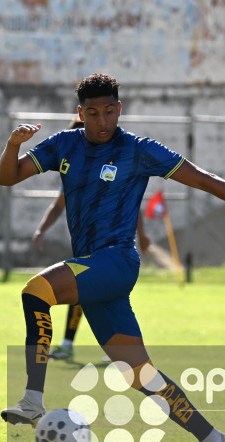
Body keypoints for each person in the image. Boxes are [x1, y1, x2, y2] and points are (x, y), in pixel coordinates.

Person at [0, 73, 225, 442]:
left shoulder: (140, 150)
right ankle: (215, 441)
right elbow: (8, 177)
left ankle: (33, 397)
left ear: (119, 109)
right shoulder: (63, 145)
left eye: (108, 111)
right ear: (79, 113)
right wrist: (14, 144)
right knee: (139, 374)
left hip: (117, 261)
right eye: (92, 113)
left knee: (35, 291)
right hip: (94, 267)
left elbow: (205, 180)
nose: (101, 120)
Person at [32, 118, 151, 363]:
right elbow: (59, 204)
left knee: (89, 294)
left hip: (112, 252)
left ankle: (76, 347)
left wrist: (142, 234)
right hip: (87, 249)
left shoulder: (113, 164)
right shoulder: (75, 173)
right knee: (89, 296)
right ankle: (117, 352)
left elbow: (133, 206)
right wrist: (42, 228)